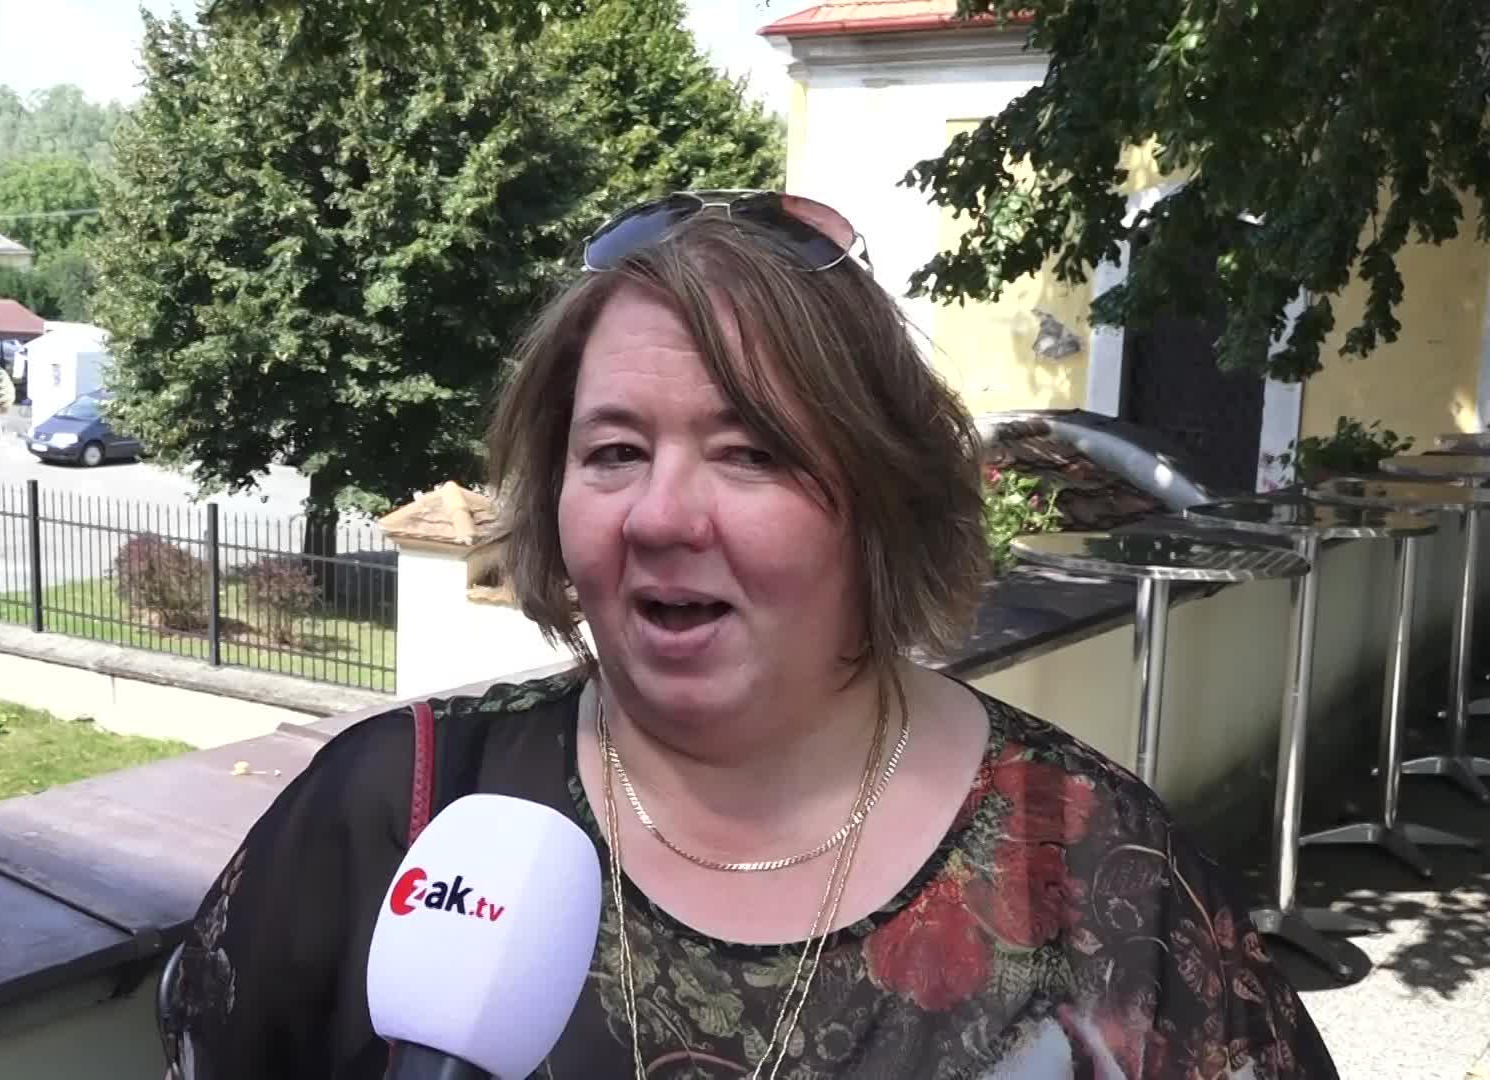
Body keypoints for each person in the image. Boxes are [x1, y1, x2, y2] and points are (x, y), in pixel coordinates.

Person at [173, 191, 1338, 1078]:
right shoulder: (396, 810)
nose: (662, 516)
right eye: (614, 451)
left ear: (881, 502)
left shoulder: (1102, 880)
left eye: (751, 452)